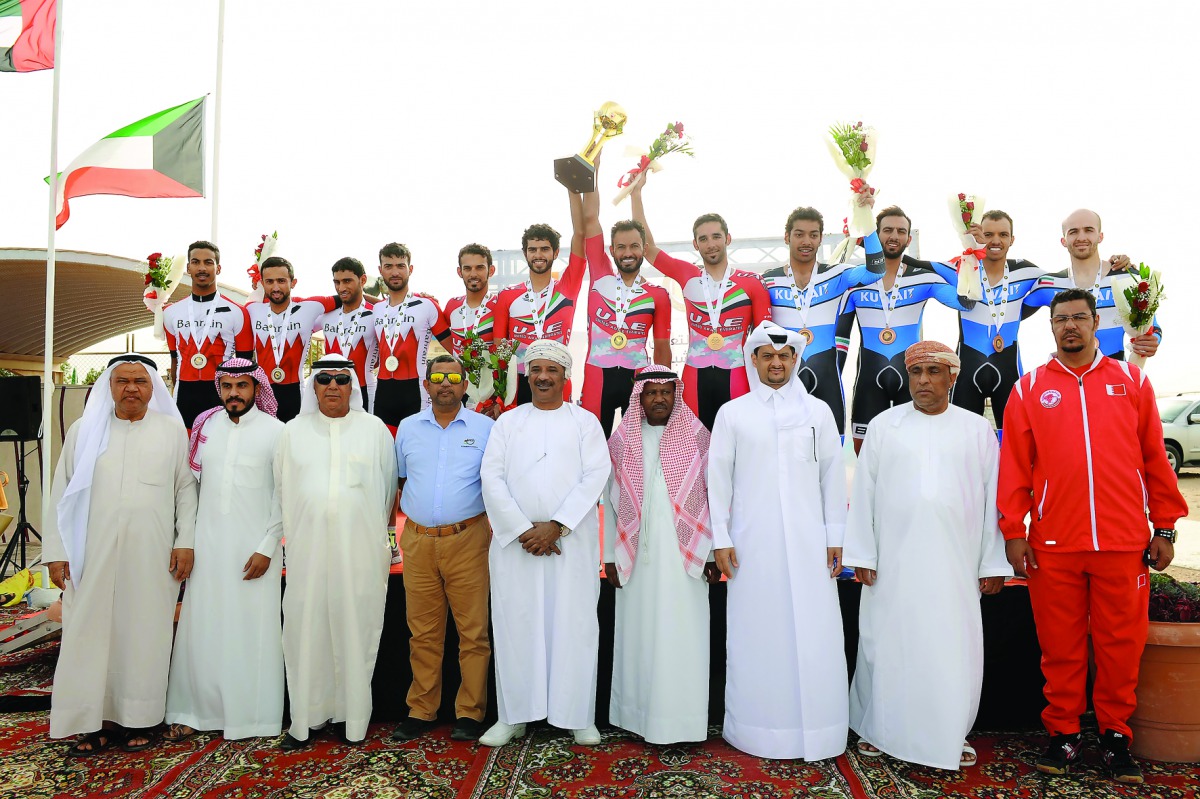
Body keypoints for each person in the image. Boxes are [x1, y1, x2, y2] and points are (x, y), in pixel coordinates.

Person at [998, 288, 1188, 783]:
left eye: (1080, 318)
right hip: (1053, 545)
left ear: (1096, 321)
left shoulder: (1130, 381)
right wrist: (1013, 531)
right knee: (1059, 646)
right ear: (1052, 326)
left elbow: (1155, 461)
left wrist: (1163, 526)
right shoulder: (1030, 387)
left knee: (1120, 645)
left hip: (1124, 543)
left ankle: (1114, 737)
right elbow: (1015, 468)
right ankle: (1062, 733)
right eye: (1061, 319)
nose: (1071, 327)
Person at [843, 340, 1012, 770]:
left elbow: (995, 500)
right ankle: (880, 730)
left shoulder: (976, 429)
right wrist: (862, 551)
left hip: (955, 563)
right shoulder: (884, 425)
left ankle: (948, 732)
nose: (923, 381)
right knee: (887, 643)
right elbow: (863, 493)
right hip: (894, 562)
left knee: (951, 647)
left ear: (952, 378)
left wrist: (993, 561)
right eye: (917, 372)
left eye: (934, 372)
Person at [707, 321, 848, 760]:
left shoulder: (819, 412)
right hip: (754, 546)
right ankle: (756, 730)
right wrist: (721, 538)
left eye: (784, 356)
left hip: (810, 546)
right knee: (758, 634)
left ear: (795, 360)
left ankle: (820, 729)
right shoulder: (734, 413)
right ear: (753, 360)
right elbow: (718, 482)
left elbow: (832, 478)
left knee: (815, 632)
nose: (776, 363)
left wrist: (835, 536)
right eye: (767, 356)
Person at [43, 353, 197, 755]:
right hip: (90, 554)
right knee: (88, 634)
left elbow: (185, 490)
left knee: (145, 632)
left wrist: (186, 541)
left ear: (153, 388)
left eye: (141, 381)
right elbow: (61, 491)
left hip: (153, 553)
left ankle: (139, 720)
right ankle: (93, 722)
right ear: (109, 386)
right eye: (123, 380)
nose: (132, 388)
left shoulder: (171, 430)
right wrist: (57, 552)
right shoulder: (84, 431)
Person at [478, 340, 610, 747]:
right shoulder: (508, 423)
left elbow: (596, 475)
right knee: (516, 626)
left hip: (568, 545)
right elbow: (491, 478)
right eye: (536, 370)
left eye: (551, 370)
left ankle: (577, 716)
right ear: (527, 375)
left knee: (574, 625)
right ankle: (514, 715)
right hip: (517, 547)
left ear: (564, 376)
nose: (543, 377)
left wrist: (557, 526)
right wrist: (521, 529)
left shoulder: (585, 422)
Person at [273, 355, 398, 749]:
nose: (332, 386)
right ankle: (305, 719)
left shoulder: (374, 429)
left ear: (353, 387)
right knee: (305, 629)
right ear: (313, 386)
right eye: (324, 378)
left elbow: (387, 490)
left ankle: (352, 717)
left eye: (342, 379)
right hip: (308, 551)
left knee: (355, 626)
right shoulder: (292, 432)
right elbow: (282, 492)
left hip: (358, 552)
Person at [165, 359, 285, 741]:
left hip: (256, 551)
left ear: (256, 389)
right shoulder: (205, 426)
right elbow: (192, 490)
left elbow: (285, 496)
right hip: (208, 546)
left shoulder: (277, 431)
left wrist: (268, 546)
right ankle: (193, 711)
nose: (234, 393)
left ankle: (252, 718)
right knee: (202, 627)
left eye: (243, 386)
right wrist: (187, 540)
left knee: (252, 630)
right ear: (219, 388)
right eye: (228, 386)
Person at [603, 364, 717, 744]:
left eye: (665, 392)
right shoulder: (620, 442)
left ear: (675, 396)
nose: (658, 399)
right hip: (635, 558)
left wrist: (713, 553)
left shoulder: (698, 437)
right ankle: (637, 717)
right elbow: (610, 502)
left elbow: (714, 497)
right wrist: (607, 556)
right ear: (639, 398)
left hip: (687, 559)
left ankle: (683, 722)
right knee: (640, 636)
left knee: (683, 636)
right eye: (650, 393)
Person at [391, 355, 494, 743]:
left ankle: (470, 712)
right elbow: (400, 479)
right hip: (417, 541)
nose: (445, 384)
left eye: (453, 377)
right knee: (423, 633)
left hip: (468, 538)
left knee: (473, 633)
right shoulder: (407, 428)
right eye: (438, 377)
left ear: (465, 384)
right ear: (426, 384)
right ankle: (421, 708)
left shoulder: (486, 429)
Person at [631, 174, 772, 429]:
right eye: (703, 239)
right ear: (696, 244)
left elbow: (766, 343)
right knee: (697, 452)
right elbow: (648, 248)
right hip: (695, 378)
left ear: (728, 239)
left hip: (738, 376)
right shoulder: (688, 276)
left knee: (739, 450)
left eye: (716, 236)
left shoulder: (752, 283)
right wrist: (636, 194)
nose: (711, 244)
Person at [839, 207, 966, 452]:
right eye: (887, 230)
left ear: (909, 239)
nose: (894, 236)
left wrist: (969, 248)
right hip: (868, 378)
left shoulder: (923, 278)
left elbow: (965, 301)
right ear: (874, 236)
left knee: (916, 450)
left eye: (901, 232)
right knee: (864, 453)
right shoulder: (855, 282)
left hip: (911, 376)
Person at [760, 206, 883, 437]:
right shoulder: (768, 279)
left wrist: (866, 218)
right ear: (787, 237)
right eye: (799, 234)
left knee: (832, 451)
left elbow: (876, 271)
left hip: (827, 376)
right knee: (781, 449)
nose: (806, 241)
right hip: (783, 375)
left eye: (813, 235)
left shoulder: (836, 274)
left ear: (820, 239)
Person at [577, 164, 672, 436]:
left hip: (638, 378)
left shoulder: (658, 295)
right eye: (621, 247)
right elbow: (590, 220)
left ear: (644, 249)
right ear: (612, 250)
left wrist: (662, 391)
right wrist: (593, 170)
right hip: (598, 376)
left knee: (639, 451)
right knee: (593, 449)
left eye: (634, 246)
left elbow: (662, 349)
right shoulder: (599, 276)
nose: (627, 253)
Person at [1024, 209, 1159, 361]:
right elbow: (1009, 313)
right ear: (1063, 240)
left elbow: (1153, 327)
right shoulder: (1048, 284)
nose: (1081, 237)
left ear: (1100, 236)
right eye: (1073, 232)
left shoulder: (1126, 277)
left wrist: (1153, 340)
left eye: (1088, 230)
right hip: (1070, 378)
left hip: (1115, 377)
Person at [491, 222, 587, 404]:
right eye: (532, 249)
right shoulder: (507, 295)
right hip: (517, 382)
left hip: (557, 376)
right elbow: (499, 349)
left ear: (556, 253)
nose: (538, 255)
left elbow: (580, 238)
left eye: (544, 249)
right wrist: (499, 394)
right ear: (525, 253)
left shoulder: (567, 288)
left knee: (558, 432)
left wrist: (575, 193)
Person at [163, 241, 254, 428]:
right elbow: (175, 360)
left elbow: (246, 366)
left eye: (208, 262)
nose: (202, 268)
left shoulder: (237, 312)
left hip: (223, 396)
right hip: (184, 398)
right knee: (187, 455)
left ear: (218, 268)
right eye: (195, 262)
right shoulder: (171, 312)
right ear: (188, 268)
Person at [372, 242, 452, 434]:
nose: (395, 272)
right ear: (380, 270)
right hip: (382, 393)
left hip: (416, 393)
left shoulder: (426, 305)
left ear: (411, 269)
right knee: (386, 456)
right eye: (388, 266)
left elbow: (454, 349)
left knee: (416, 453)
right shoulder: (376, 309)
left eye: (401, 266)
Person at [248, 256, 339, 422]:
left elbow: (349, 296)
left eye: (281, 281)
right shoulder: (252, 309)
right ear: (262, 283)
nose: (275, 287)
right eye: (269, 282)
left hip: (296, 394)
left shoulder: (310, 307)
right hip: (261, 392)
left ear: (293, 282)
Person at [316, 257, 377, 411]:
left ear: (362, 280)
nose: (341, 287)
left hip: (366, 390)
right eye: (337, 282)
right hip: (332, 388)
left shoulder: (377, 314)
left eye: (347, 281)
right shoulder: (326, 314)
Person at [444, 243, 498, 360]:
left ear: (491, 270)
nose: (473, 274)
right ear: (459, 272)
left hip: (492, 377)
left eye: (480, 268)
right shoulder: (452, 305)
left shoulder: (500, 304)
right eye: (467, 268)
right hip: (459, 377)